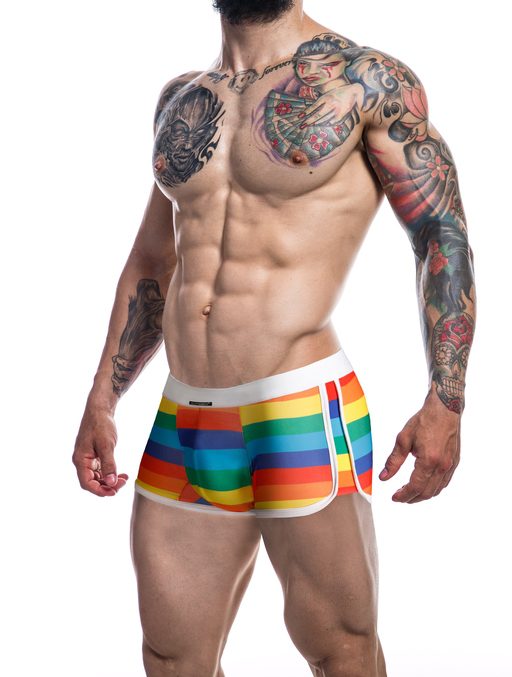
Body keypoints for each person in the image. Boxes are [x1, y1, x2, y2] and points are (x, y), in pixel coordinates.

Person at [72, 1, 476, 675]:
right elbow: (152, 259)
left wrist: (447, 399)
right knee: (171, 656)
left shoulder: (367, 81)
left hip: (298, 405)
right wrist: (103, 399)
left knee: (341, 649)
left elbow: (442, 236)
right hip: (186, 416)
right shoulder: (182, 98)